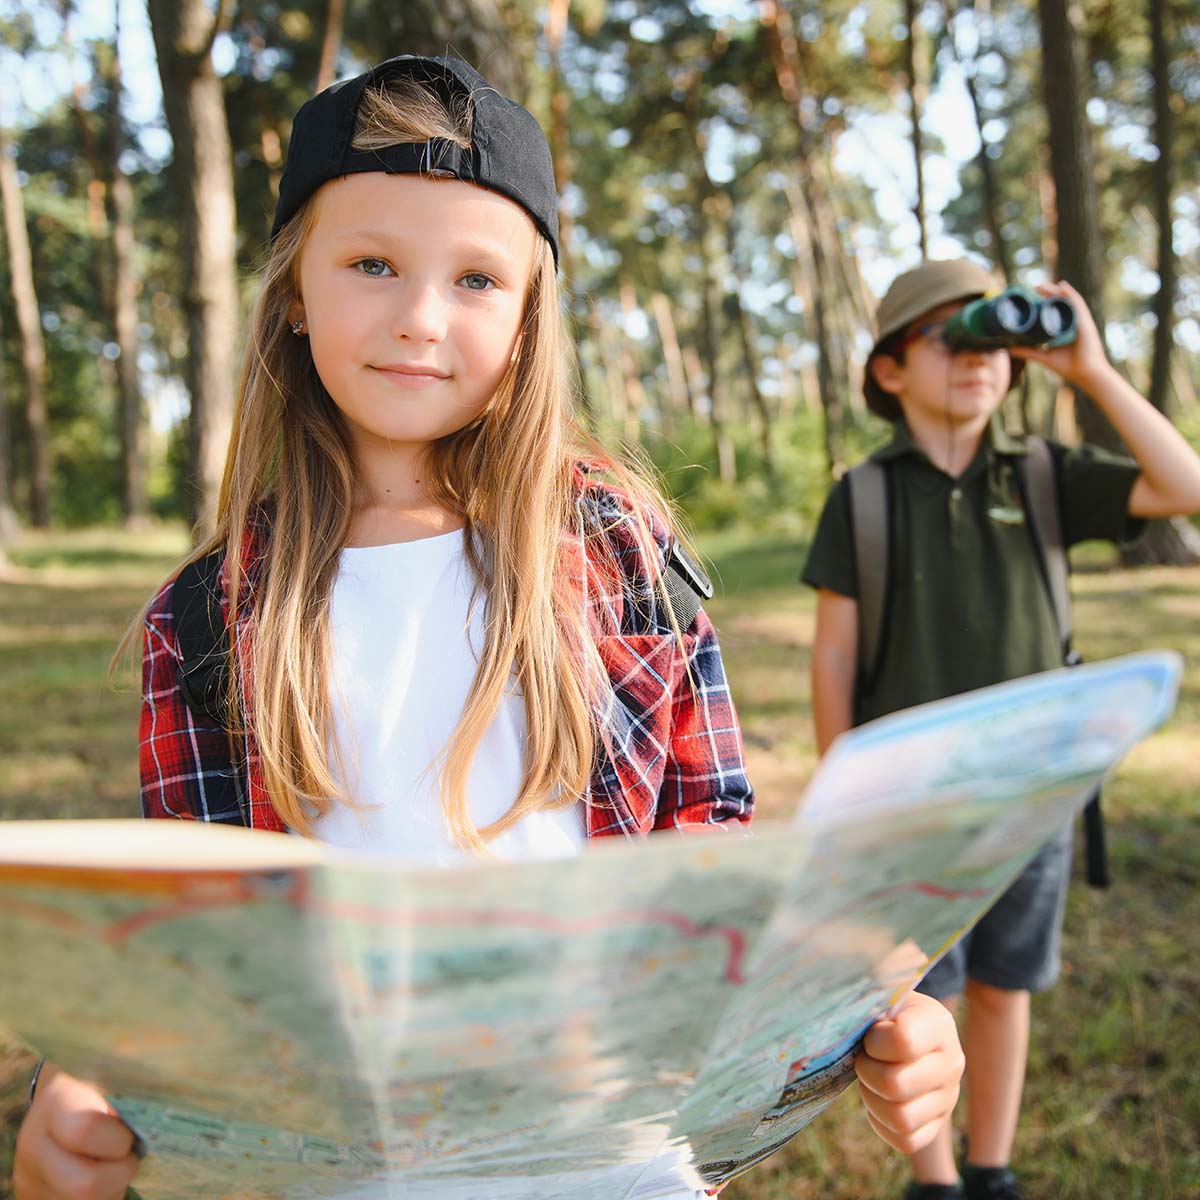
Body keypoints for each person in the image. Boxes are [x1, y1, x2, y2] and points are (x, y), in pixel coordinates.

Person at [13, 58, 965, 1200]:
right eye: (372, 264)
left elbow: (710, 851)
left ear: (527, 316)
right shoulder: (210, 616)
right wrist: (81, 1086)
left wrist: (867, 1008)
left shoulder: (619, 547)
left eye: (476, 279)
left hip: (614, 1163)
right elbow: (192, 958)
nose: (421, 318)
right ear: (294, 293)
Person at [803, 257, 1200, 1200]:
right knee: (912, 995)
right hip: (910, 808)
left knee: (1004, 982)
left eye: (994, 341)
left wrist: (1091, 372)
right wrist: (839, 800)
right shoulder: (863, 494)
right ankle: (934, 1178)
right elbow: (830, 659)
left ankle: (993, 1169)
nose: (979, 358)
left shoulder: (1044, 474)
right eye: (950, 338)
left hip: (1036, 792)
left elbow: (1184, 487)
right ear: (890, 371)